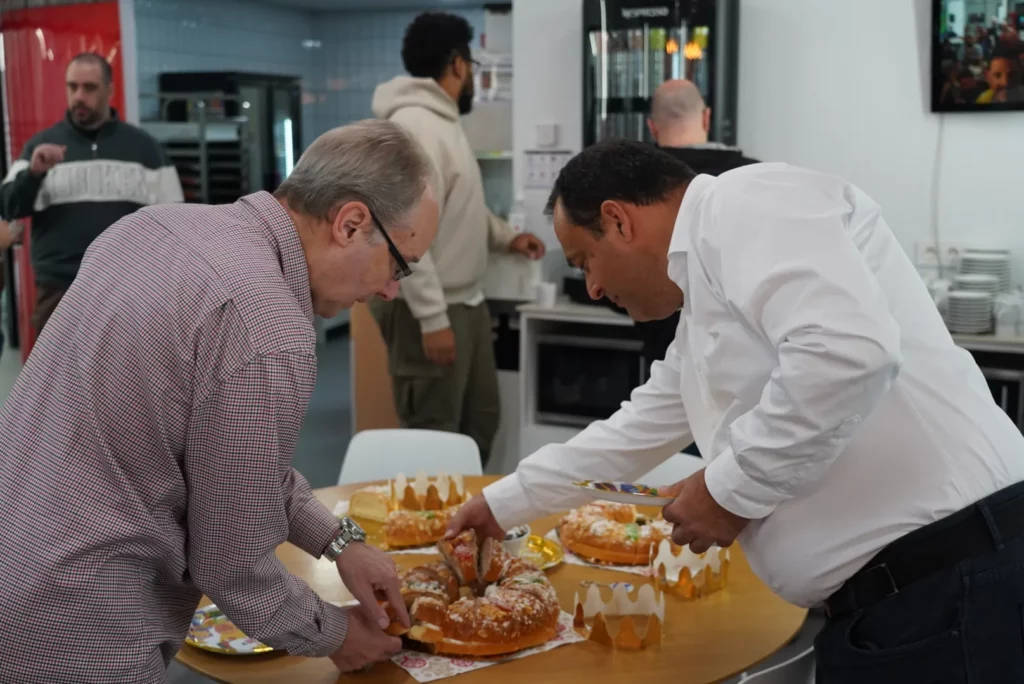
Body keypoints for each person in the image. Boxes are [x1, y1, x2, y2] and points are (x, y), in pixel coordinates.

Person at [447, 140, 1024, 682]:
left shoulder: (742, 201)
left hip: (954, 583)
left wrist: (730, 491)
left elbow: (849, 353)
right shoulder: (703, 303)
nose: (593, 288)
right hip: (905, 600)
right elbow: (630, 433)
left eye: (584, 262)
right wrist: (504, 504)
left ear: (619, 221)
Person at [0, 119, 439, 682]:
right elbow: (235, 565)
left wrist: (341, 543)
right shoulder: (268, 327)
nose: (390, 290)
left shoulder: (149, 228)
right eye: (400, 265)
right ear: (350, 224)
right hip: (79, 617)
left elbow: (234, 467)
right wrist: (335, 634)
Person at [370, 11, 545, 468]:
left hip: (465, 303)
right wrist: (431, 318)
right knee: (436, 439)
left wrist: (507, 237)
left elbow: (458, 207)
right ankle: (432, 537)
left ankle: (464, 532)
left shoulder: (443, 122)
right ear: (458, 64)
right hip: (429, 308)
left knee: (479, 424)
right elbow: (400, 231)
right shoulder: (417, 126)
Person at [0, 52, 183, 335]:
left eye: (89, 87)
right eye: (72, 87)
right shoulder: (39, 146)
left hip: (129, 292)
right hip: (59, 293)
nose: (79, 96)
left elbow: (176, 224)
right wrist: (34, 174)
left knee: (125, 379)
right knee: (58, 380)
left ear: (109, 90)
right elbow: (8, 206)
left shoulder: (146, 149)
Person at [640, 79, 759, 372]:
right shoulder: (754, 175)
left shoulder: (638, 187)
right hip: (746, 356)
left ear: (651, 127)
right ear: (706, 118)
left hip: (662, 348)